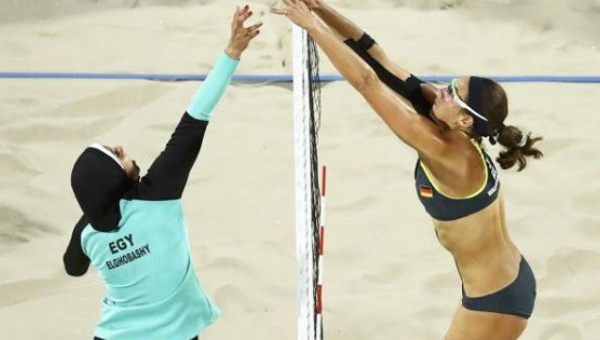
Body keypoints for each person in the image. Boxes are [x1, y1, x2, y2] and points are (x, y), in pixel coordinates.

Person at [272, 1, 542, 339]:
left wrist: (312, 27)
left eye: (453, 92)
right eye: (453, 82)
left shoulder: (446, 153)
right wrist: (319, 9)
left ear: (465, 120)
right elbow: (377, 58)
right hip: (498, 281)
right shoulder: (452, 123)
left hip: (496, 299)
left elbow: (367, 83)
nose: (444, 87)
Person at [62, 6, 261, 340]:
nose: (124, 150)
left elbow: (73, 267)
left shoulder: (87, 231)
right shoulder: (157, 194)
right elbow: (196, 118)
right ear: (113, 178)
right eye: (118, 155)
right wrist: (232, 53)